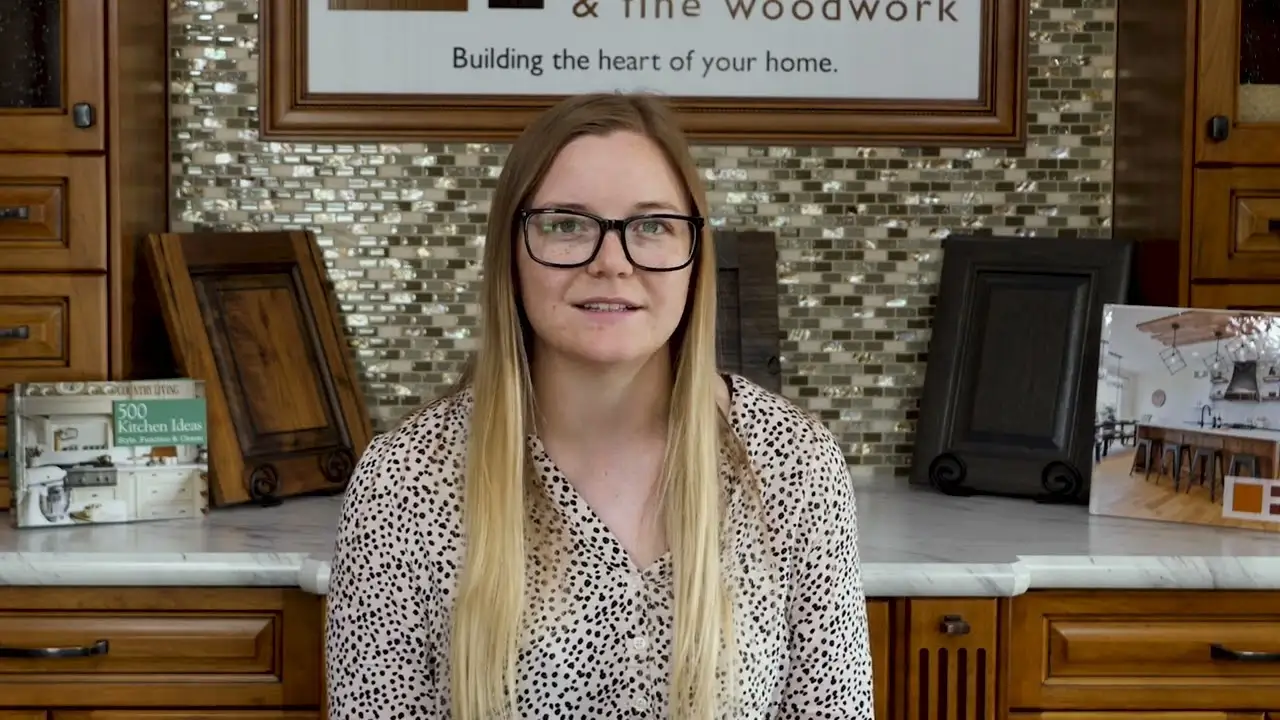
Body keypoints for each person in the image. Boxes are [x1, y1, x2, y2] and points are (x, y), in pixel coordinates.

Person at [324, 92, 874, 719]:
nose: (611, 263)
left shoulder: (794, 465)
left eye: (652, 226)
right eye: (565, 224)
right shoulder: (404, 482)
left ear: (695, 255)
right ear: (511, 250)